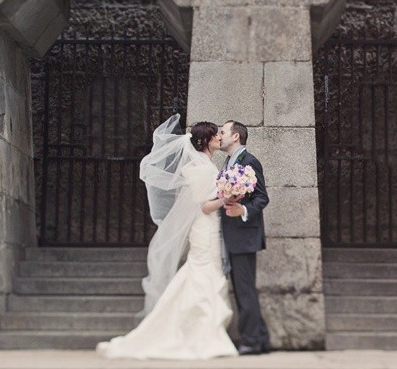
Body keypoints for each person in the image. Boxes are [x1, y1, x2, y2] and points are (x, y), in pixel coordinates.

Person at [96, 117, 237, 361]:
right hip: (205, 228)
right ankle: (201, 336)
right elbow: (203, 206)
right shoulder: (200, 168)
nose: (219, 138)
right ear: (206, 140)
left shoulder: (205, 165)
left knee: (203, 275)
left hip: (210, 228)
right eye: (215, 135)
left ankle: (203, 332)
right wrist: (226, 198)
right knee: (203, 274)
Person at [219, 120, 271, 355]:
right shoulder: (227, 161)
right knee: (242, 289)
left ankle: (250, 340)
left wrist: (243, 210)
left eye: (223, 132)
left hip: (244, 235)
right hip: (232, 235)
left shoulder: (249, 161)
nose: (220, 136)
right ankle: (259, 339)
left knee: (244, 289)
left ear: (236, 136)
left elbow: (262, 198)